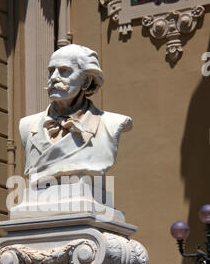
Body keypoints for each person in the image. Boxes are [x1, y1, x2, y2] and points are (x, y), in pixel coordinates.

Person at [19, 44, 132, 184]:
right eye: (51, 71)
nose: (53, 77)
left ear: (86, 81)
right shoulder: (27, 125)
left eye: (64, 71)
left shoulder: (110, 124)